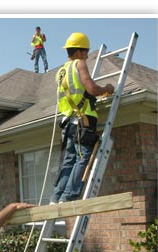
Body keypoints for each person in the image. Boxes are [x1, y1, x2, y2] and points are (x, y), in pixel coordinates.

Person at [49, 32, 114, 204]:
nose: (86, 55)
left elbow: (74, 92)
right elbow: (91, 89)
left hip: (68, 121)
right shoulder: (79, 64)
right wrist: (107, 88)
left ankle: (56, 197)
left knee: (68, 159)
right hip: (83, 120)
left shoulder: (60, 71)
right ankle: (68, 196)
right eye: (85, 51)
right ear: (78, 51)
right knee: (82, 157)